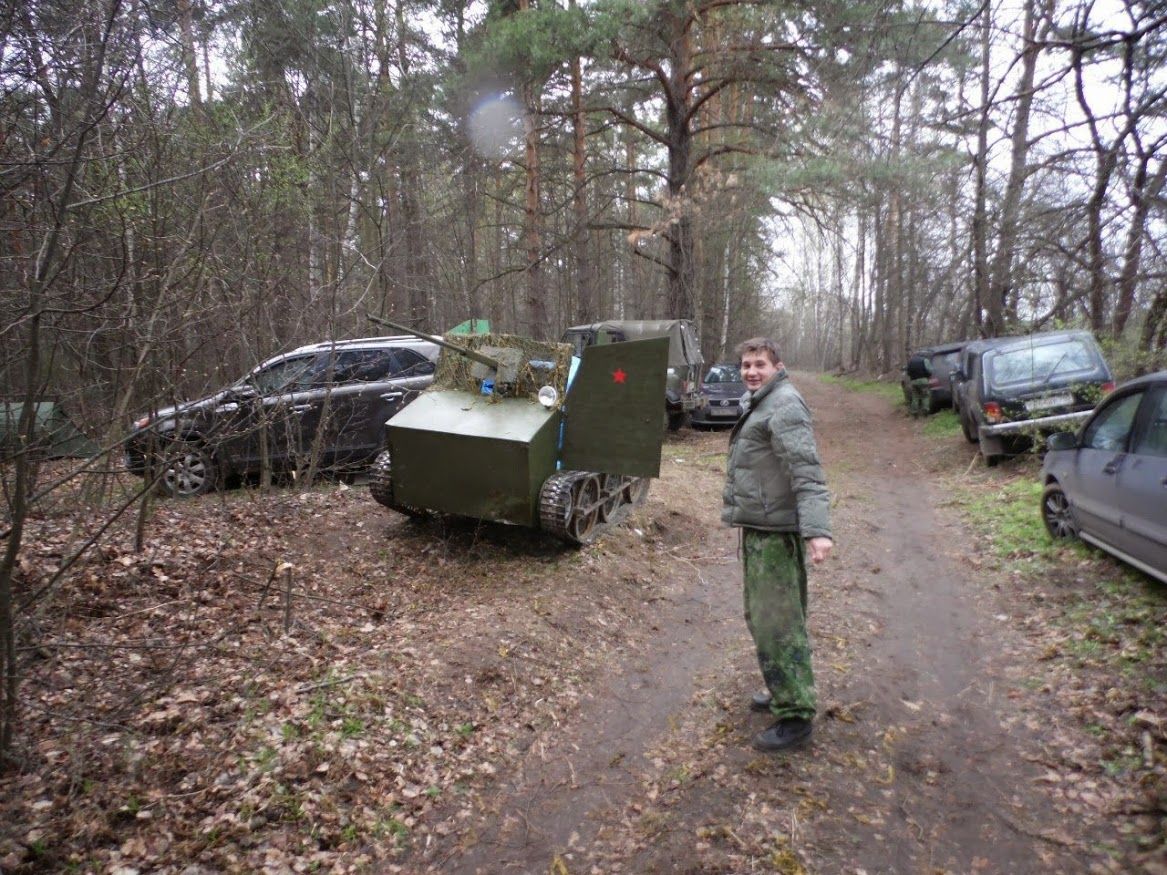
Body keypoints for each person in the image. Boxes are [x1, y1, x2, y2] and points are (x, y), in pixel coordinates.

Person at [722, 337, 833, 752]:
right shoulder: (762, 401)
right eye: (746, 365)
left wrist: (817, 531)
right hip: (759, 526)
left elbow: (806, 470)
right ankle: (781, 686)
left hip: (775, 533)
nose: (751, 371)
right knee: (761, 616)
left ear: (777, 366)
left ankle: (797, 716)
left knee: (778, 622)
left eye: (760, 365)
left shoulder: (784, 405)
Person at [905, 351, 932, 417]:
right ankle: (925, 410)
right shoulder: (925, 360)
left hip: (914, 381)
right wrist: (928, 376)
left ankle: (914, 412)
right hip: (923, 380)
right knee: (925, 396)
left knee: (915, 396)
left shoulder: (910, 362)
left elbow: (908, 372)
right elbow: (929, 370)